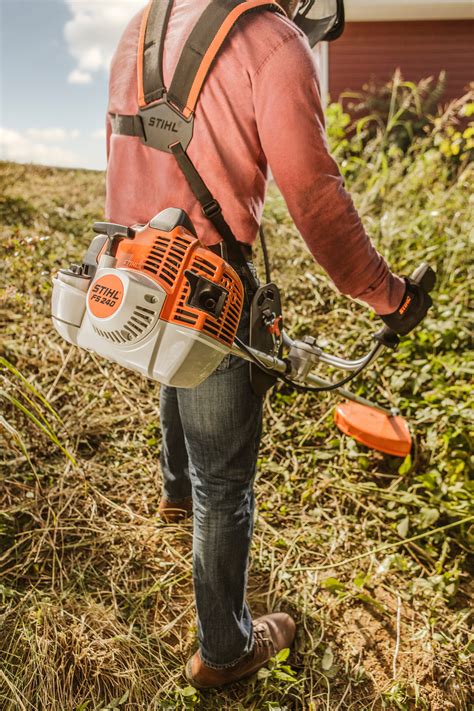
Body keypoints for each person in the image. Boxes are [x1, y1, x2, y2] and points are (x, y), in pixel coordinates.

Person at [106, 0, 431, 689]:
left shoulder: (142, 26)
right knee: (225, 482)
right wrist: (388, 294)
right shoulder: (273, 40)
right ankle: (224, 649)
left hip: (135, 264)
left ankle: (172, 492)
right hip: (210, 277)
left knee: (175, 351)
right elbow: (316, 199)